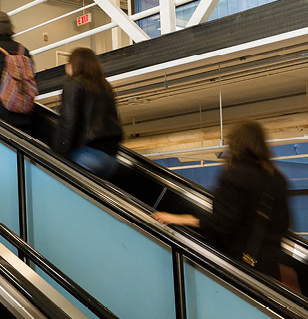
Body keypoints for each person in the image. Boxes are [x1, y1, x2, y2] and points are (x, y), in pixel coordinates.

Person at [152, 121, 290, 281]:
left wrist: (183, 219)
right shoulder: (277, 178)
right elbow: (284, 224)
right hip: (269, 266)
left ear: (235, 144)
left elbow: (222, 223)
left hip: (239, 265)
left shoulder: (235, 176)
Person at [52, 48, 122, 179]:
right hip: (111, 160)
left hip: (87, 156)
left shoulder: (73, 84)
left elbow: (68, 122)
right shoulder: (105, 86)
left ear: (74, 65)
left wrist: (59, 156)